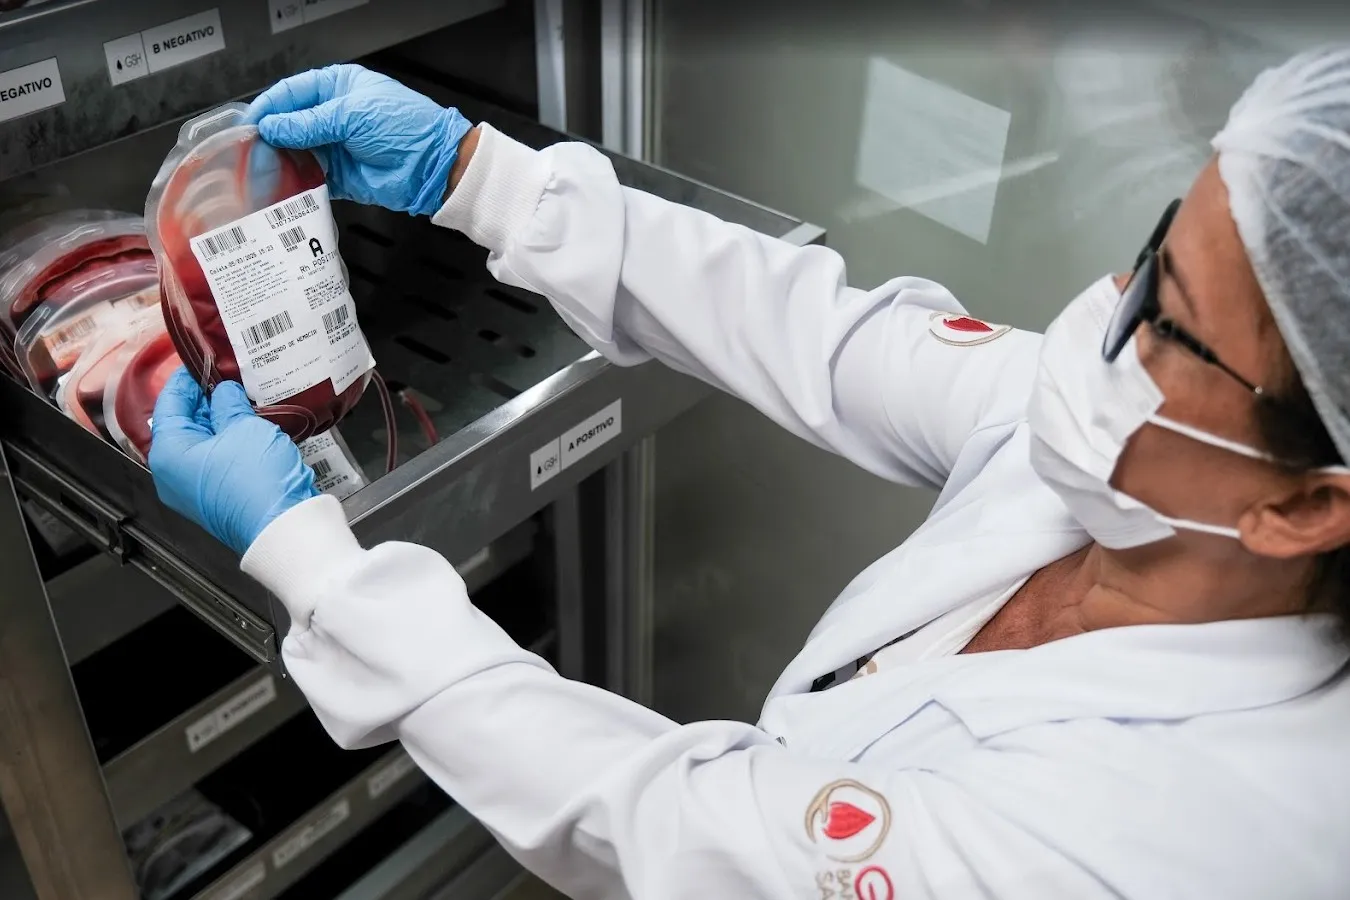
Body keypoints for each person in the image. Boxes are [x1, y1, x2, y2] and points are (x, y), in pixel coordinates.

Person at [149, 48, 1350, 899]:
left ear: (1308, 504)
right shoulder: (1154, 474)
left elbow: (663, 824)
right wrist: (482, 178)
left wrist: (313, 562)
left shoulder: (1166, 846)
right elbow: (830, 339)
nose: (1105, 322)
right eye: (1147, 255)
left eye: (1169, 325)